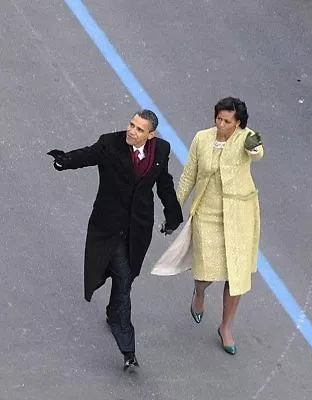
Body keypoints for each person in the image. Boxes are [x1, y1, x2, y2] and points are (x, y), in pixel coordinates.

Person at [47, 109, 183, 371]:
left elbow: (164, 183)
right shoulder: (110, 143)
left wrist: (173, 214)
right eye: (131, 125)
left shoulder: (161, 150)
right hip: (109, 226)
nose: (132, 131)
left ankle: (113, 312)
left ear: (151, 135)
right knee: (122, 277)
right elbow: (89, 154)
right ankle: (128, 348)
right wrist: (64, 160)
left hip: (137, 229)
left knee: (128, 277)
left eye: (139, 129)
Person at [176, 97, 263, 355]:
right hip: (208, 211)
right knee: (204, 272)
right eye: (218, 119)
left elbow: (256, 152)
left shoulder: (247, 138)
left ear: (238, 123)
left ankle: (226, 327)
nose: (221, 124)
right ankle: (199, 294)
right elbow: (189, 173)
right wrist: (174, 207)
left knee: (236, 274)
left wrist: (253, 146)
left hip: (239, 214)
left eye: (227, 121)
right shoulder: (202, 138)